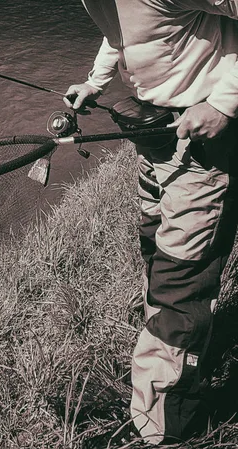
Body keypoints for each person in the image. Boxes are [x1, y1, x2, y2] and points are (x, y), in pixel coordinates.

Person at [64, 0, 238, 445]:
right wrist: (95, 83)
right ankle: (163, 347)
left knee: (182, 275)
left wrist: (224, 102)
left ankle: (164, 427)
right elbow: (126, 34)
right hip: (156, 136)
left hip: (202, 140)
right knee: (155, 247)